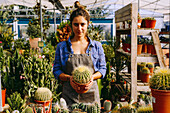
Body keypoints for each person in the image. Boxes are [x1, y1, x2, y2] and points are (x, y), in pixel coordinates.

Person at [53, 1, 106, 109]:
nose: (79, 28)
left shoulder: (96, 46)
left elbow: (103, 69)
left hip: (91, 94)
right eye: (76, 24)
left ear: (88, 24)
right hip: (69, 95)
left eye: (83, 24)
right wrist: (69, 78)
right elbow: (56, 70)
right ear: (71, 25)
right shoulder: (62, 47)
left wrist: (91, 78)